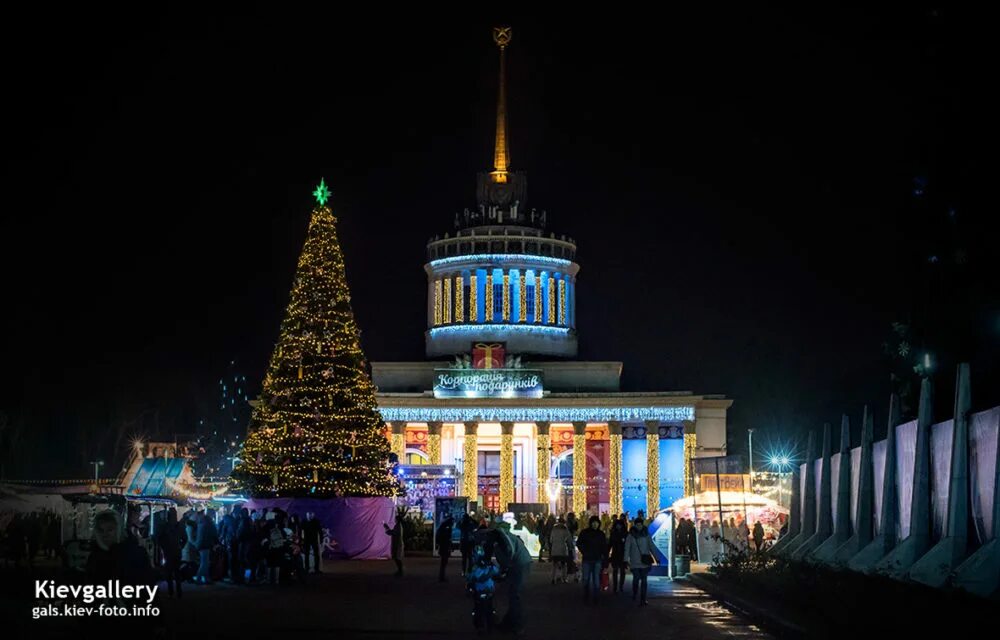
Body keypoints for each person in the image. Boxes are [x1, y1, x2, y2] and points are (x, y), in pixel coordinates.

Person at [488, 522, 532, 636]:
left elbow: (509, 554)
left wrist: (503, 570)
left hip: (519, 565)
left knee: (515, 595)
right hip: (520, 563)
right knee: (513, 594)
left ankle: (517, 625)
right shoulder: (506, 538)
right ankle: (508, 623)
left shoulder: (503, 540)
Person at [466, 544, 500, 634]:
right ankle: (488, 624)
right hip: (487, 590)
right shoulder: (488, 566)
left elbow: (470, 578)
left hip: (482, 591)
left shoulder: (476, 568)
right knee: (487, 608)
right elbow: (497, 571)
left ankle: (482, 625)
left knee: (479, 608)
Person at [576, 515, 608, 604]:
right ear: (591, 523)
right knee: (586, 578)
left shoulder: (601, 534)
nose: (595, 524)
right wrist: (584, 551)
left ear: (598, 524)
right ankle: (586, 595)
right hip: (587, 559)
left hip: (597, 559)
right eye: (593, 523)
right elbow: (579, 543)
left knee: (596, 579)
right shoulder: (585, 533)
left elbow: (604, 548)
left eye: (596, 523)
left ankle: (596, 597)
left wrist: (605, 561)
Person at [624, 517, 654, 606]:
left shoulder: (646, 535)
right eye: (637, 525)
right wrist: (625, 560)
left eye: (640, 524)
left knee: (644, 581)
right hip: (635, 562)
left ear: (642, 524)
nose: (639, 526)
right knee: (636, 579)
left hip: (644, 562)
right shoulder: (630, 536)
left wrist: (657, 557)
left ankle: (643, 599)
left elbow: (651, 546)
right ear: (635, 525)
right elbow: (627, 548)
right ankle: (635, 593)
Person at [156, 508, 184, 597]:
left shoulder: (165, 526)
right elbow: (185, 538)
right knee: (177, 572)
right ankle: (178, 591)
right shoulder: (179, 526)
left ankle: (171, 591)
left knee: (170, 572)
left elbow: (158, 538)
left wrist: (163, 546)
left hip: (169, 551)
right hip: (176, 551)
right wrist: (180, 546)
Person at [194, 510, 219, 584]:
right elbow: (214, 534)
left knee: (205, 562)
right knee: (204, 563)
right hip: (205, 545)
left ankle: (206, 578)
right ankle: (198, 578)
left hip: (200, 544)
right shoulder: (209, 524)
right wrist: (216, 542)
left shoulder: (201, 523)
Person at [548, 516, 571, 584]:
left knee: (554, 565)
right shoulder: (565, 529)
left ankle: (553, 578)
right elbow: (568, 539)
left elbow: (551, 540)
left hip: (555, 549)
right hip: (563, 549)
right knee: (564, 565)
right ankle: (564, 578)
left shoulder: (554, 529)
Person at [608, 515, 628, 593]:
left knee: (622, 571)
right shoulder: (613, 534)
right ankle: (615, 586)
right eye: (617, 525)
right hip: (615, 554)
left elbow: (628, 544)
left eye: (620, 525)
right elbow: (610, 544)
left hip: (622, 554)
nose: (618, 526)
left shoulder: (625, 533)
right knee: (615, 571)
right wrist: (607, 552)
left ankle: (621, 586)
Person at [383, 513, 404, 577]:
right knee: (397, 558)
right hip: (397, 544)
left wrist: (387, 528)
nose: (394, 520)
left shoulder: (398, 526)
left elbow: (393, 533)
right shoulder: (398, 526)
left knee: (397, 558)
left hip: (398, 544)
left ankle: (400, 571)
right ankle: (400, 570)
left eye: (395, 519)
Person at [436, 515, 454, 582]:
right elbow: (448, 538)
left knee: (443, 563)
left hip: (443, 547)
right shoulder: (447, 528)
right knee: (444, 562)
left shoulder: (443, 527)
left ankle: (441, 576)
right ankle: (441, 577)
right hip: (444, 547)